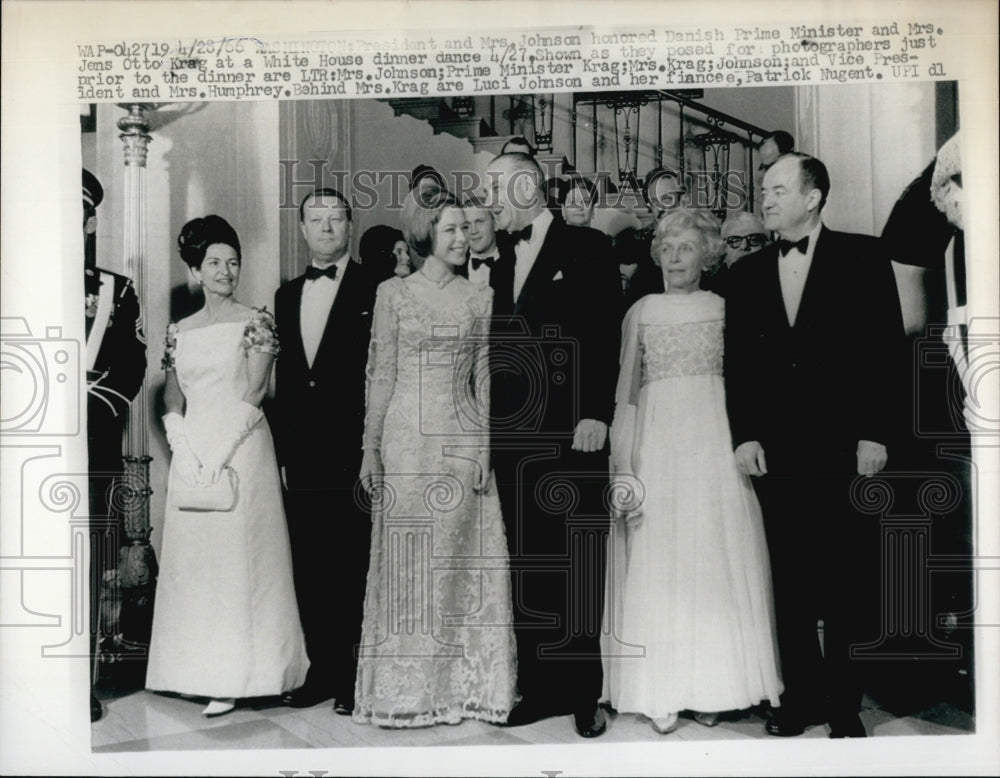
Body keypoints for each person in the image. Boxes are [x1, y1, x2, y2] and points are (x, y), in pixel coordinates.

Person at [724, 153, 905, 738]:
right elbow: (740, 367)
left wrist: (876, 433)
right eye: (763, 190)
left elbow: (885, 353)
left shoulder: (864, 255)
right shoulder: (746, 274)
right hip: (777, 451)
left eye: (778, 189)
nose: (766, 199)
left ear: (814, 196)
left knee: (848, 578)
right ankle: (801, 699)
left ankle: (845, 705)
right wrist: (745, 433)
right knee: (792, 582)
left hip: (846, 448)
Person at [603, 208, 783, 734]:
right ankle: (663, 689)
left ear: (708, 255)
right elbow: (628, 394)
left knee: (712, 556)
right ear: (656, 254)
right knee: (662, 557)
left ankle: (715, 687)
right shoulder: (642, 310)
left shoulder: (727, 308)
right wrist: (624, 462)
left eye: (688, 248)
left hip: (712, 441)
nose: (676, 257)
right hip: (658, 444)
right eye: (668, 248)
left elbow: (747, 380)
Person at [354, 182, 516, 727]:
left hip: (460, 434)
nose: (462, 237)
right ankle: (406, 692)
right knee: (410, 563)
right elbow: (380, 375)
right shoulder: (391, 294)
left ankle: (462, 690)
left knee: (458, 561)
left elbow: (482, 379)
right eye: (449, 228)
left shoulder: (480, 296)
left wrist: (483, 449)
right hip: (405, 438)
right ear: (425, 233)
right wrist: (369, 450)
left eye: (466, 228)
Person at [147, 215, 308, 717]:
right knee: (197, 565)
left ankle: (242, 675)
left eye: (233, 262)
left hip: (241, 448)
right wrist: (184, 446)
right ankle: (195, 670)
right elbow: (172, 398)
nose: (225, 270)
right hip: (193, 453)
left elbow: (255, 391)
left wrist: (218, 454)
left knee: (241, 563)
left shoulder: (255, 319)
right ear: (195, 270)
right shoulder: (180, 330)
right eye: (214, 262)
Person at [485, 151, 620, 738]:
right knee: (528, 562)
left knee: (577, 558)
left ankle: (583, 693)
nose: (489, 198)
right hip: (513, 439)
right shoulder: (493, 260)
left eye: (495, 186)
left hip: (574, 433)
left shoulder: (588, 246)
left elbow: (605, 331)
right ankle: (540, 688)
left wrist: (596, 413)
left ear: (526, 185)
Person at [274, 188, 378, 715]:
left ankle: (353, 675)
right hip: (304, 454)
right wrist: (285, 454)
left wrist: (372, 449)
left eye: (336, 219)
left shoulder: (377, 288)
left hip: (354, 452)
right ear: (302, 229)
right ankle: (322, 669)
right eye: (316, 219)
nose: (327, 228)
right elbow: (291, 381)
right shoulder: (285, 295)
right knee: (310, 565)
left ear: (350, 227)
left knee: (352, 564)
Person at [83, 169, 147, 722]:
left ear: (90, 219)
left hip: (92, 443)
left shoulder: (114, 289)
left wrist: (90, 407)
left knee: (84, 562)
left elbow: (132, 364)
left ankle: (80, 682)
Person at [463, 192, 499, 286]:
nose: (473, 231)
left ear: (495, 224)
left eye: (479, 221)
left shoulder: (516, 261)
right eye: (467, 225)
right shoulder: (452, 268)